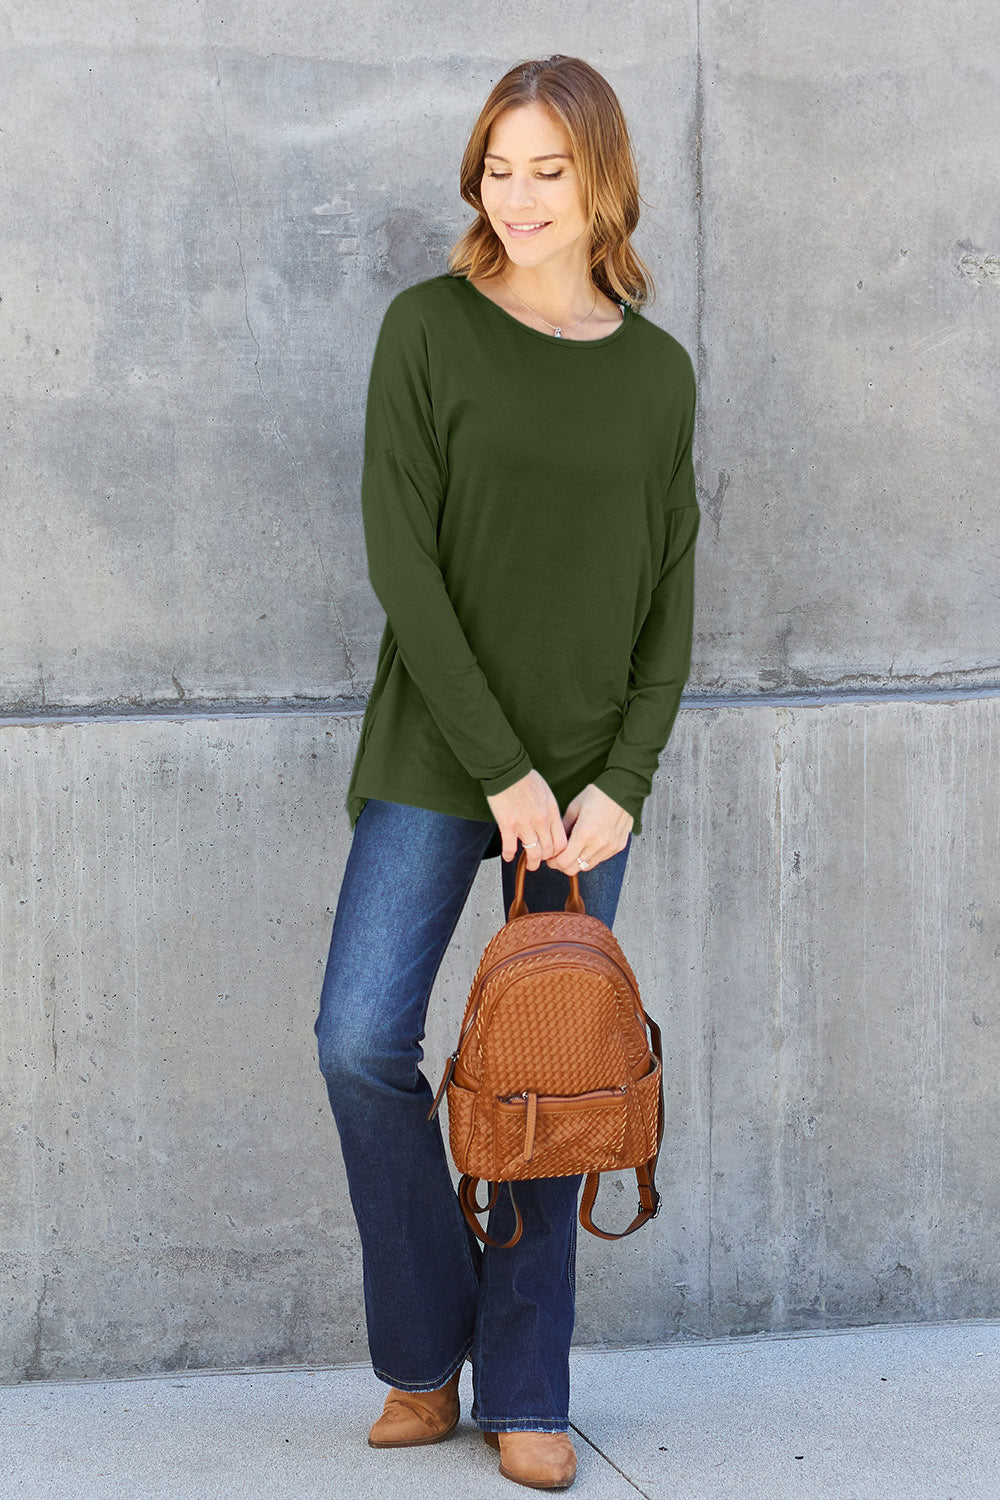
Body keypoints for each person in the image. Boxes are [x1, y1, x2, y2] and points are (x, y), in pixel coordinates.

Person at [314, 53, 700, 1491]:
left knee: (551, 1080)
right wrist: (500, 770)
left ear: (602, 177)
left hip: (590, 785)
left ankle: (525, 1388)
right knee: (360, 1042)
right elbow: (403, 566)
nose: (519, 195)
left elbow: (672, 600)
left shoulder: (659, 373)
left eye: (548, 168)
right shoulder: (426, 331)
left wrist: (625, 780)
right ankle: (428, 1353)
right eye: (498, 166)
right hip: (442, 753)